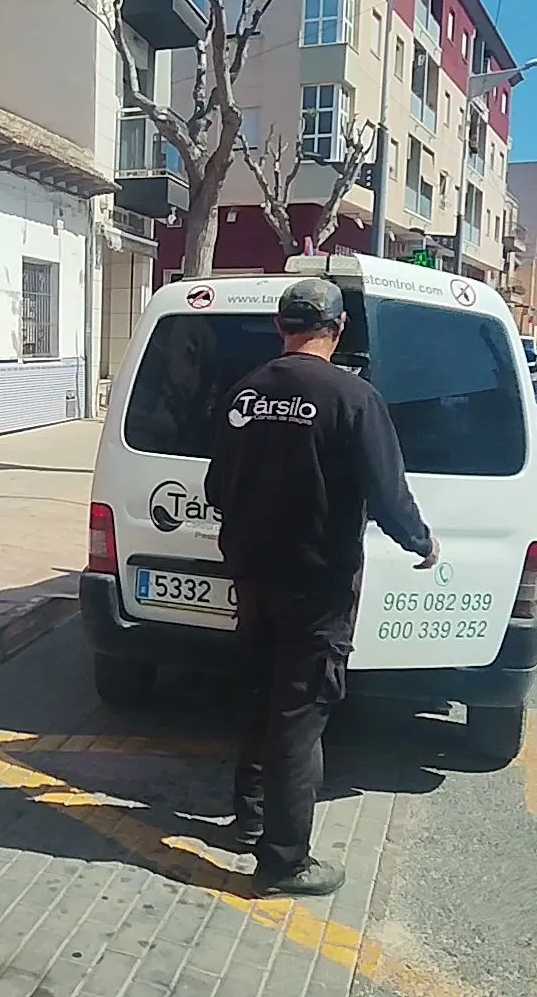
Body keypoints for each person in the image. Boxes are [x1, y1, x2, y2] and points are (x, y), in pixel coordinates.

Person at [204, 279, 438, 898]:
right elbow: (387, 492)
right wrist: (421, 541)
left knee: (261, 696)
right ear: (336, 330)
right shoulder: (353, 397)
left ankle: (251, 820)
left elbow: (215, 487)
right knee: (300, 715)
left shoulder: (246, 392)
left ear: (280, 327)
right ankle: (284, 863)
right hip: (318, 582)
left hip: (252, 572)